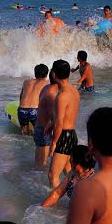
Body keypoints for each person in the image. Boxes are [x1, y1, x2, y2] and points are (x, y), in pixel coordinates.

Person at [48, 60, 80, 189]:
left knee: (52, 175)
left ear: (54, 74)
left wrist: (54, 142)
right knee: (69, 172)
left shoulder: (61, 96)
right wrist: (52, 124)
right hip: (72, 135)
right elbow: (67, 114)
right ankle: (77, 198)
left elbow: (60, 122)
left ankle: (56, 207)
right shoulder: (74, 90)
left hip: (64, 136)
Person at [34, 71, 58, 167]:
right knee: (42, 164)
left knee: (38, 162)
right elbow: (54, 119)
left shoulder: (45, 88)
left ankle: (31, 179)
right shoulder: (51, 95)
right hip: (44, 131)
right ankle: (37, 181)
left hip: (38, 127)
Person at [17, 64, 49, 135]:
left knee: (25, 133)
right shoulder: (46, 83)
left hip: (22, 109)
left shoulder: (26, 82)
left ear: (35, 73)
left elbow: (21, 96)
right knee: (40, 133)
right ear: (46, 74)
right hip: (35, 110)